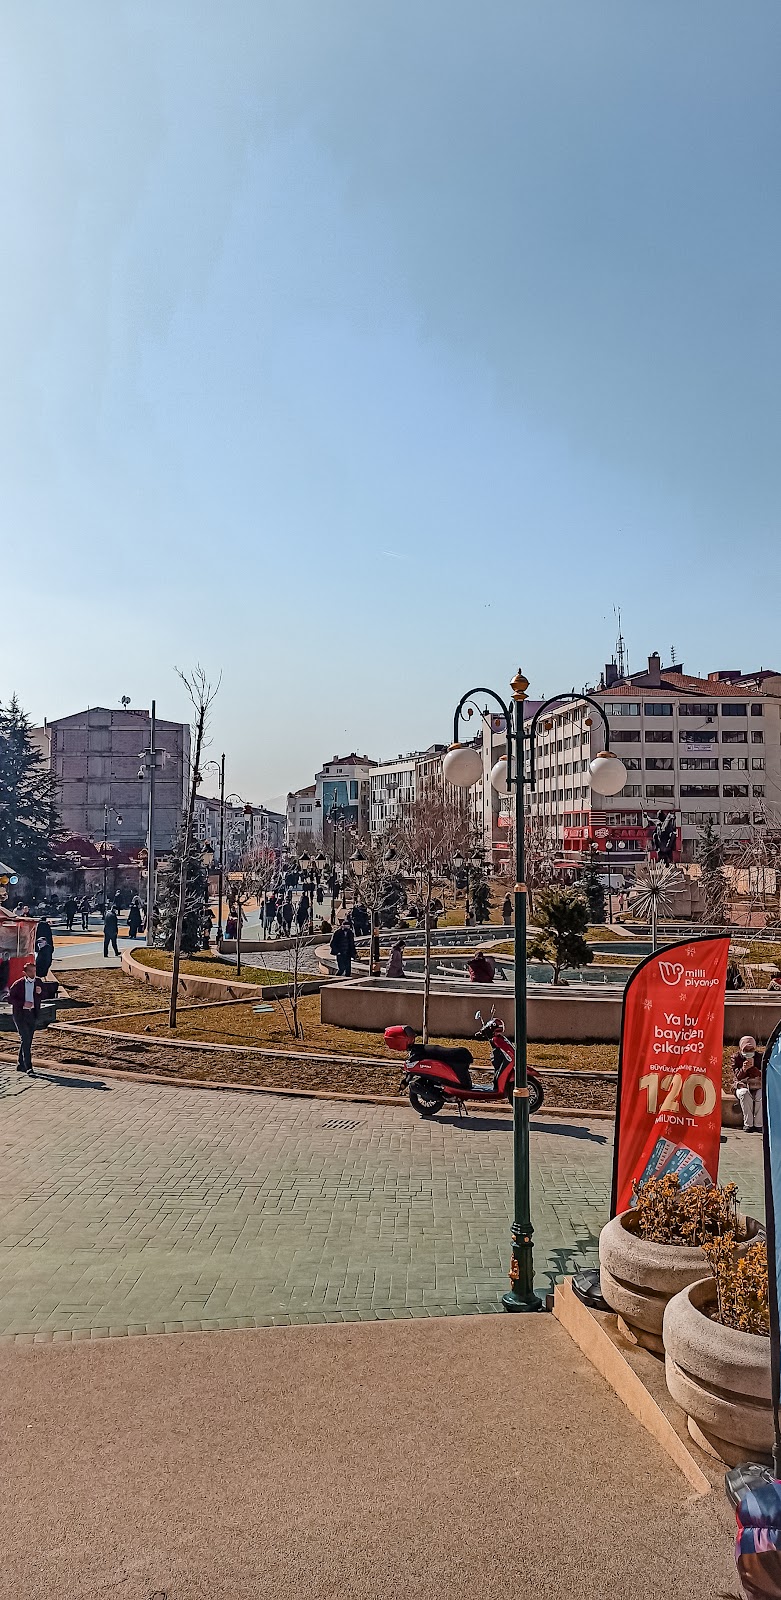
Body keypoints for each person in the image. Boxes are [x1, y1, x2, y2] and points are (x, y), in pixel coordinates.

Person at [8, 959, 45, 1076]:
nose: (33, 973)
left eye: (34, 971)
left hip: (32, 1014)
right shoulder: (18, 984)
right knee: (25, 1039)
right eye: (31, 971)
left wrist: (41, 992)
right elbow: (9, 999)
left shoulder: (38, 982)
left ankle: (20, 1064)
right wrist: (23, 1003)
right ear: (25, 972)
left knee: (27, 1040)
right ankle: (29, 1067)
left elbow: (46, 995)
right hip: (20, 1015)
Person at [732, 1035, 763, 1131]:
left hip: (757, 1085)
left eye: (751, 1049)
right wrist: (744, 1069)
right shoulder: (736, 1058)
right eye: (746, 1049)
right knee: (744, 1094)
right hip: (742, 1085)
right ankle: (748, 1124)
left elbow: (764, 1074)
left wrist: (753, 1069)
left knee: (761, 1095)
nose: (749, 1052)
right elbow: (736, 1076)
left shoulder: (760, 1057)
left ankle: (759, 1124)